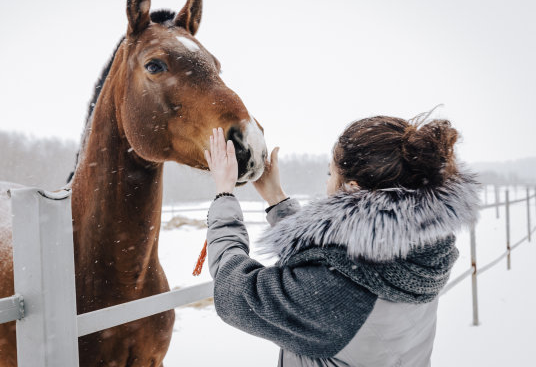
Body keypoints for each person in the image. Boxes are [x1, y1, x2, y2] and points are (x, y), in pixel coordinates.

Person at [203, 114, 479, 366]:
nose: (326, 184)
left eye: (330, 174)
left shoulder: (334, 292)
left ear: (352, 188)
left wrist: (224, 194)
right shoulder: (423, 250)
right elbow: (337, 251)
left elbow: (235, 290)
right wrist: (277, 198)